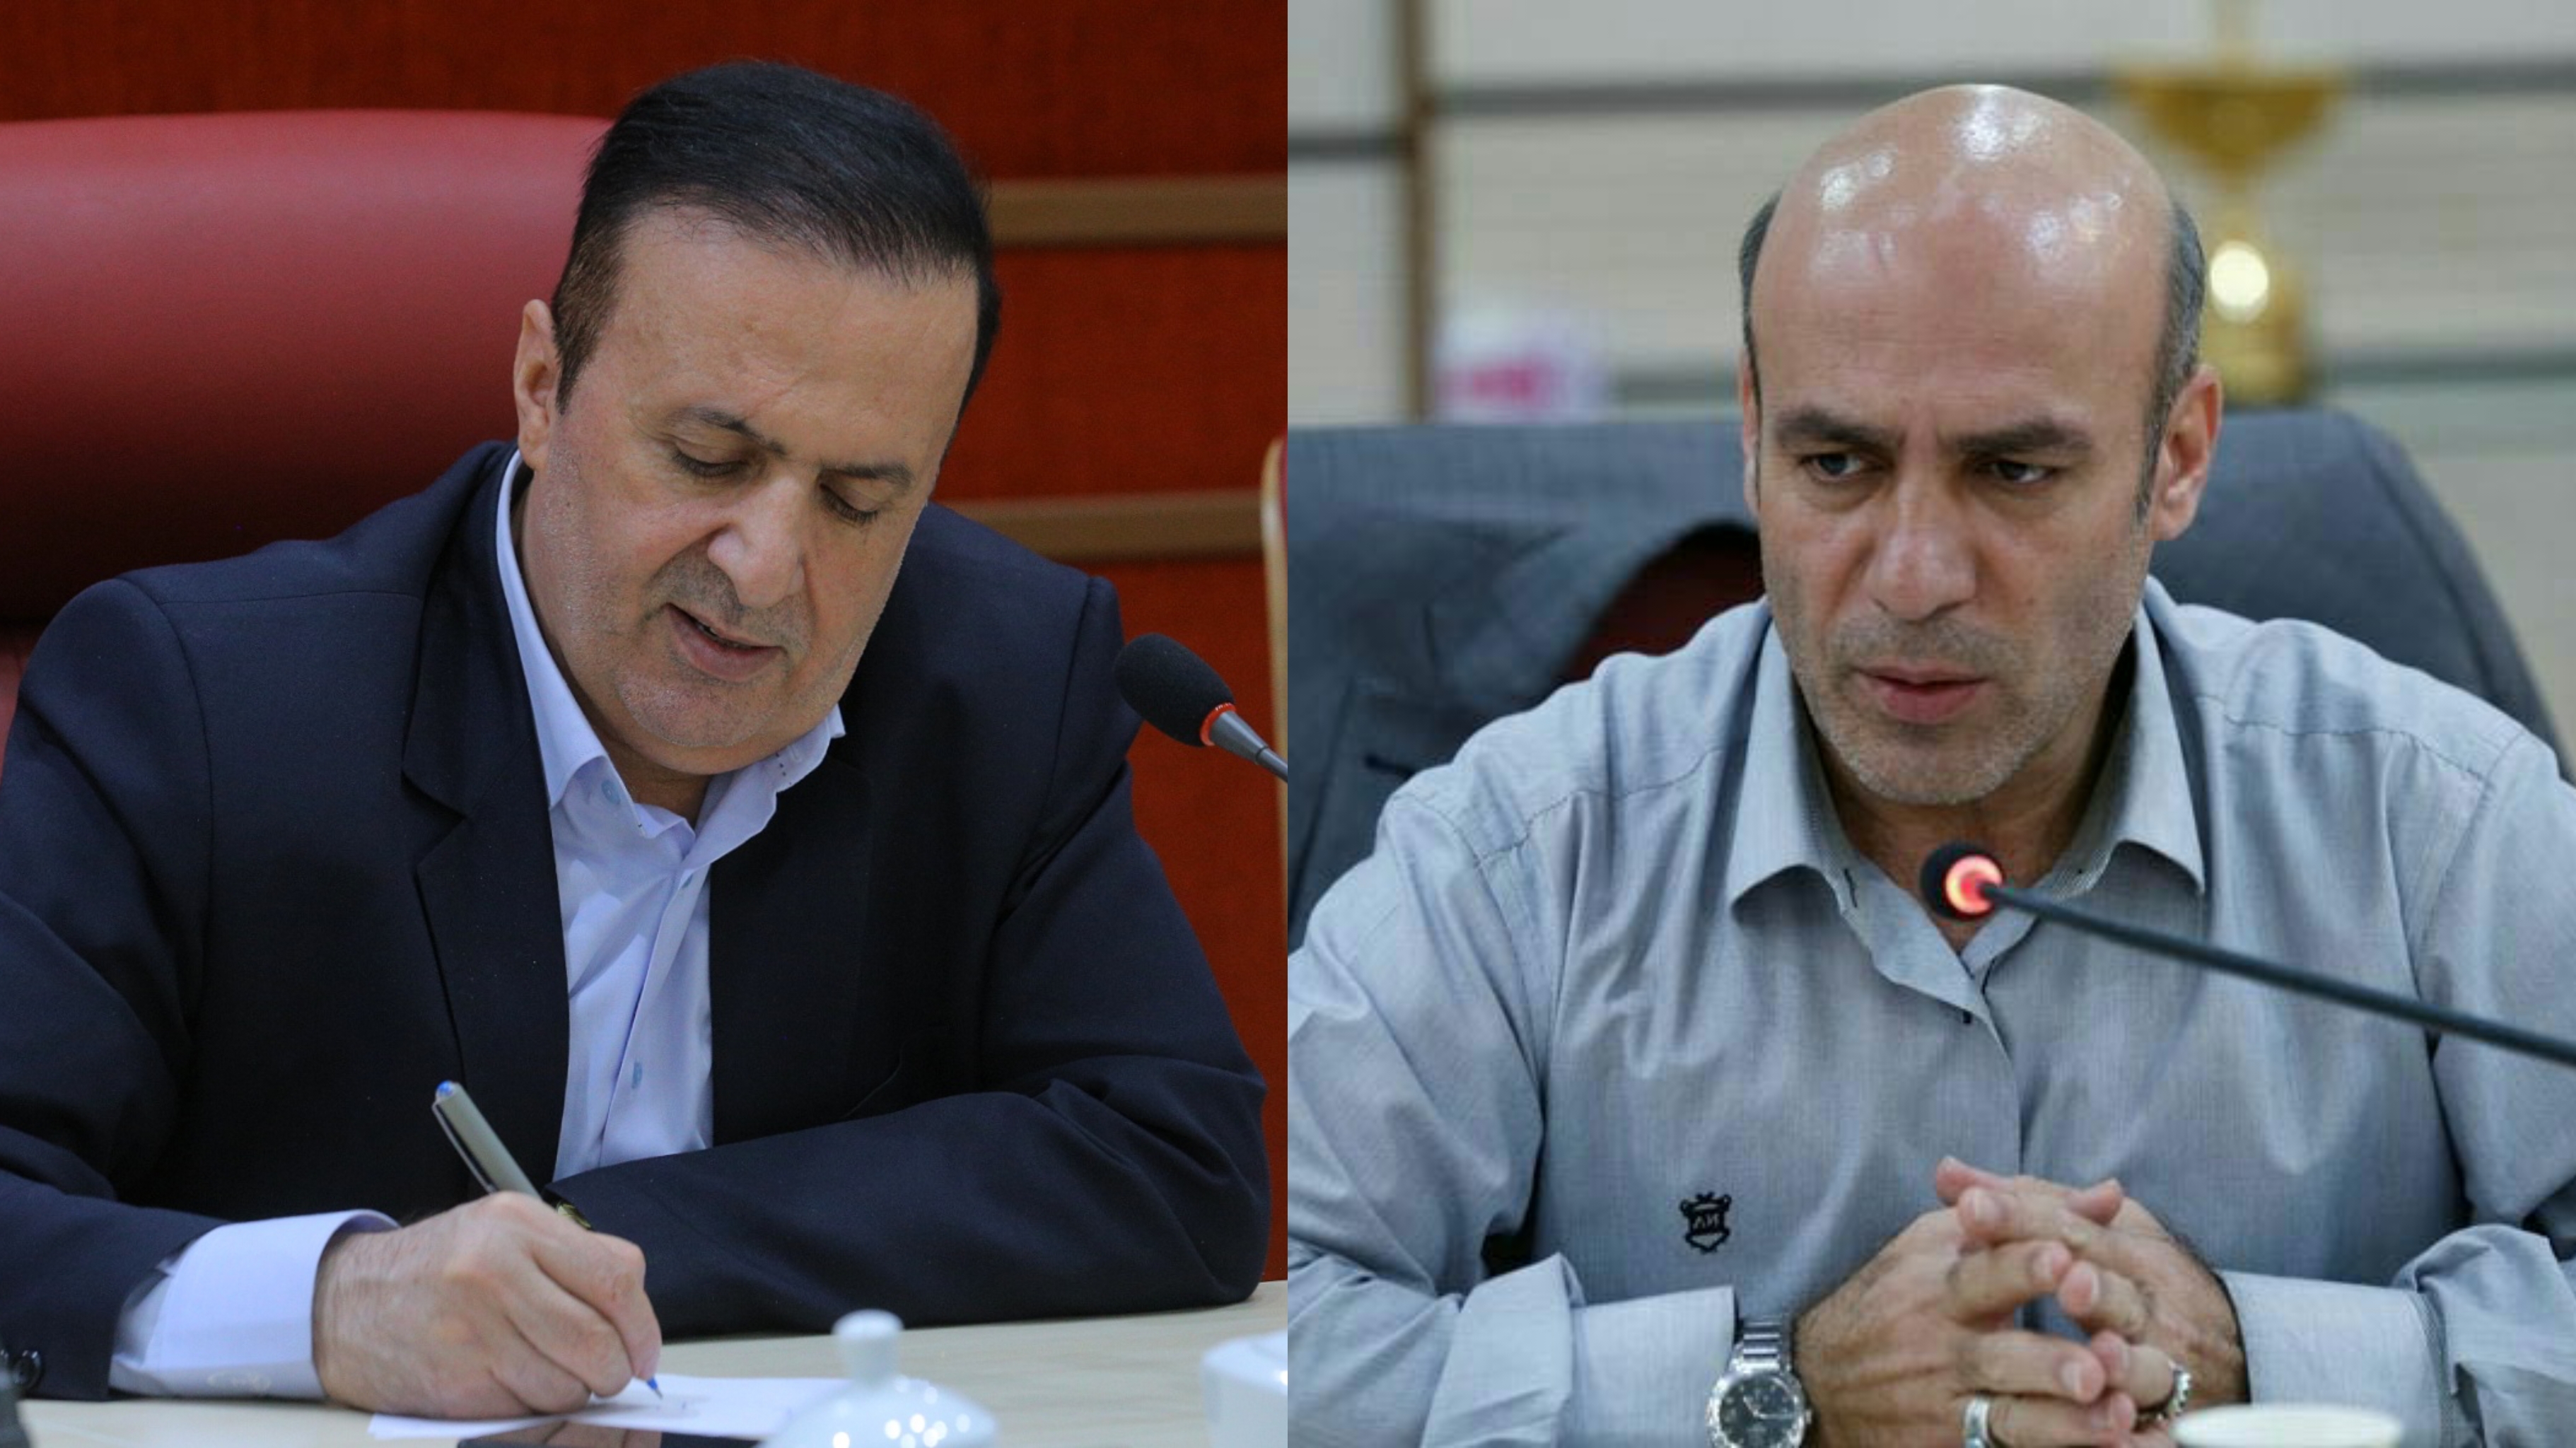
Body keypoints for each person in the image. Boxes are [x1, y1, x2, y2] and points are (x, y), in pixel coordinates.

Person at [1288, 83, 2576, 1447]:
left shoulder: (2437, 819)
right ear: (1752, 433)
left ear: (2179, 457)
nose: (1912, 578)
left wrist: (2269, 1357)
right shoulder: (1523, 848)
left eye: (2013, 471)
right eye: (1837, 462)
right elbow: (1275, 1326)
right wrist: (1770, 1382)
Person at [0, 62, 1267, 1413]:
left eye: (857, 500)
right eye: (711, 460)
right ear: (542, 387)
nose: (766, 565)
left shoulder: (1003, 677)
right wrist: (334, 1302)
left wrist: (598, 1240)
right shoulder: (195, 700)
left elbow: (1173, 1160)